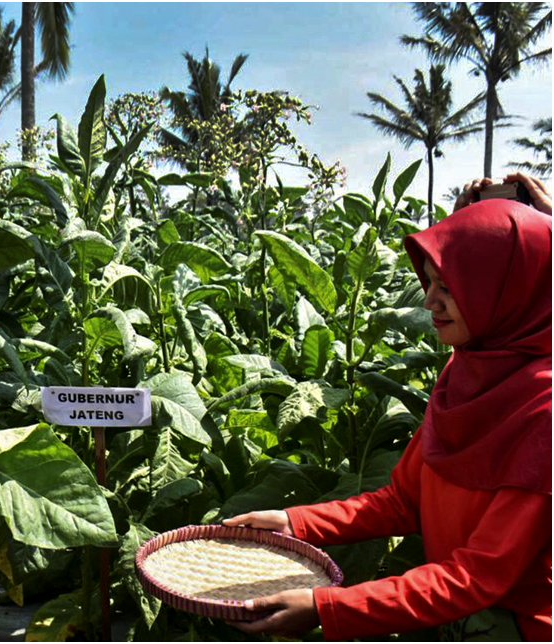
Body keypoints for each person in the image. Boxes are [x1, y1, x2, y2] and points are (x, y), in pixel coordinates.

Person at [224, 191, 552, 640]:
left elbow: (480, 573)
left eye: (451, 288)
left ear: (507, 291)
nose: (430, 303)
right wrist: (295, 522)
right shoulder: (464, 372)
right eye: (430, 283)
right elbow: (403, 501)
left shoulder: (543, 409)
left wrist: (329, 608)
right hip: (455, 617)